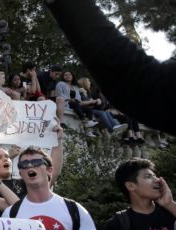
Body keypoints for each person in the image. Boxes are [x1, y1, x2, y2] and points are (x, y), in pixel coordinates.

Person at [45, 0, 176, 135]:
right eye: (63, 74)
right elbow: (139, 84)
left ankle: (129, 134)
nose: (67, 76)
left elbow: (140, 84)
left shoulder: (79, 89)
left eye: (68, 75)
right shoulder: (61, 85)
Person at [57, 71, 99, 135]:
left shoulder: (76, 87)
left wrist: (76, 100)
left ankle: (89, 124)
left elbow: (79, 98)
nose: (68, 76)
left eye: (69, 74)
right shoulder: (60, 84)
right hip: (66, 103)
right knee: (74, 103)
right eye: (65, 75)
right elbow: (59, 94)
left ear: (72, 76)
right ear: (63, 77)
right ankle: (84, 121)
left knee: (88, 109)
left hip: (76, 103)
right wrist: (69, 99)